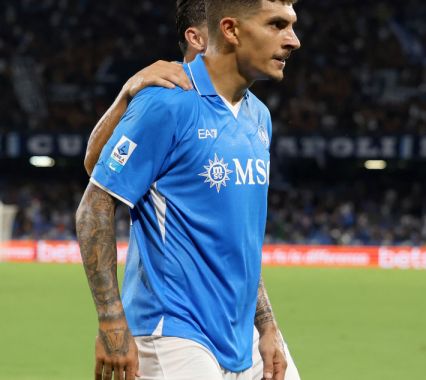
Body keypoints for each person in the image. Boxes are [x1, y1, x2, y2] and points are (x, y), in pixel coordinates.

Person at [75, 1, 301, 379]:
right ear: (230, 30)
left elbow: (237, 240)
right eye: (277, 25)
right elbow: (93, 206)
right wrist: (112, 323)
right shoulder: (166, 102)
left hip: (241, 331)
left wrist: (267, 324)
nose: (293, 40)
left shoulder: (258, 116)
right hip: (173, 329)